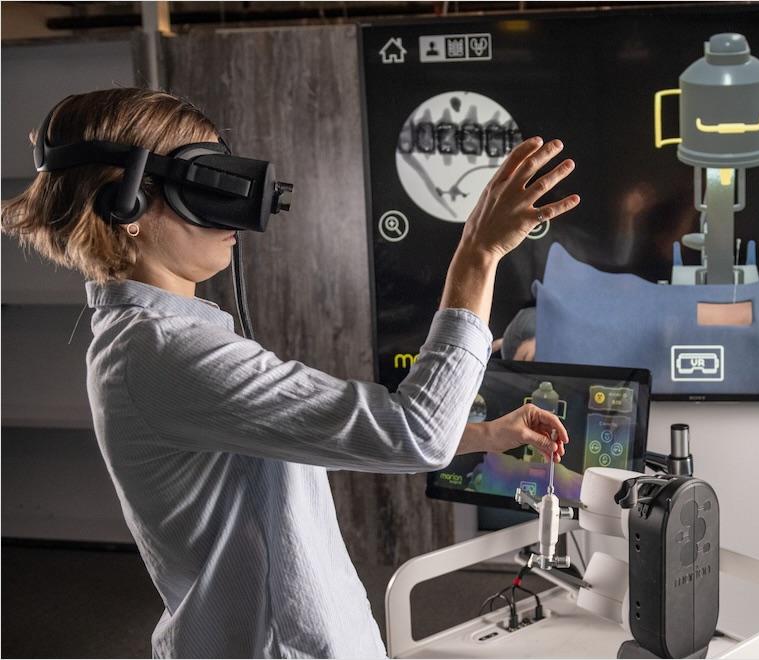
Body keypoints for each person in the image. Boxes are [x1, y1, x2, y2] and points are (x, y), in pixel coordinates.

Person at [1, 88, 581, 658]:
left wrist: (484, 435)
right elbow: (417, 432)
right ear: (122, 205)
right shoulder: (166, 352)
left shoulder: (164, 341)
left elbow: (323, 434)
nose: (234, 207)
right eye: (203, 181)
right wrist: (477, 255)